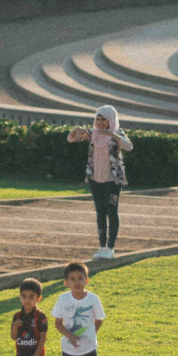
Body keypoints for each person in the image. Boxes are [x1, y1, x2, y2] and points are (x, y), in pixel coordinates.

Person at [67, 105, 132, 260]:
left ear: (111, 120)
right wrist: (76, 129)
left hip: (112, 180)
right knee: (100, 212)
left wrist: (111, 134)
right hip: (95, 179)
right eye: (98, 119)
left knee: (112, 211)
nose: (101, 122)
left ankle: (111, 247)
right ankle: (102, 246)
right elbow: (70, 139)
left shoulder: (117, 133)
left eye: (104, 119)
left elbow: (129, 146)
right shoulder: (92, 134)